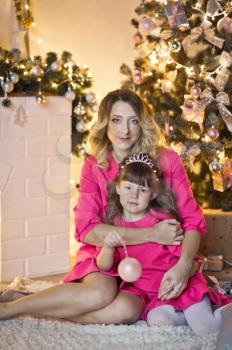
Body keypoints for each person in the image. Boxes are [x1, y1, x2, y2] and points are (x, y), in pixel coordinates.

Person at [0, 89, 208, 324]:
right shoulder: (94, 165)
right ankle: (8, 310)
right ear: (105, 123)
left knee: (124, 313)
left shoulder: (166, 160)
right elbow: (86, 230)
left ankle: (31, 301)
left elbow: (193, 221)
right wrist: (152, 233)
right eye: (116, 120)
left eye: (133, 121)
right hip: (105, 252)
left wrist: (184, 265)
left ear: (143, 124)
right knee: (99, 294)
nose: (125, 131)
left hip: (151, 262)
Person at [96, 153, 232, 336]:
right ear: (118, 188)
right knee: (159, 322)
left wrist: (183, 275)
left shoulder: (163, 223)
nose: (134, 195)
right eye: (128, 187)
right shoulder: (115, 225)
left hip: (181, 287)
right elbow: (104, 266)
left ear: (153, 194)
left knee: (206, 328)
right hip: (158, 297)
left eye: (142, 190)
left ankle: (222, 312)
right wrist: (107, 247)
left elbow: (190, 263)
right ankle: (197, 316)